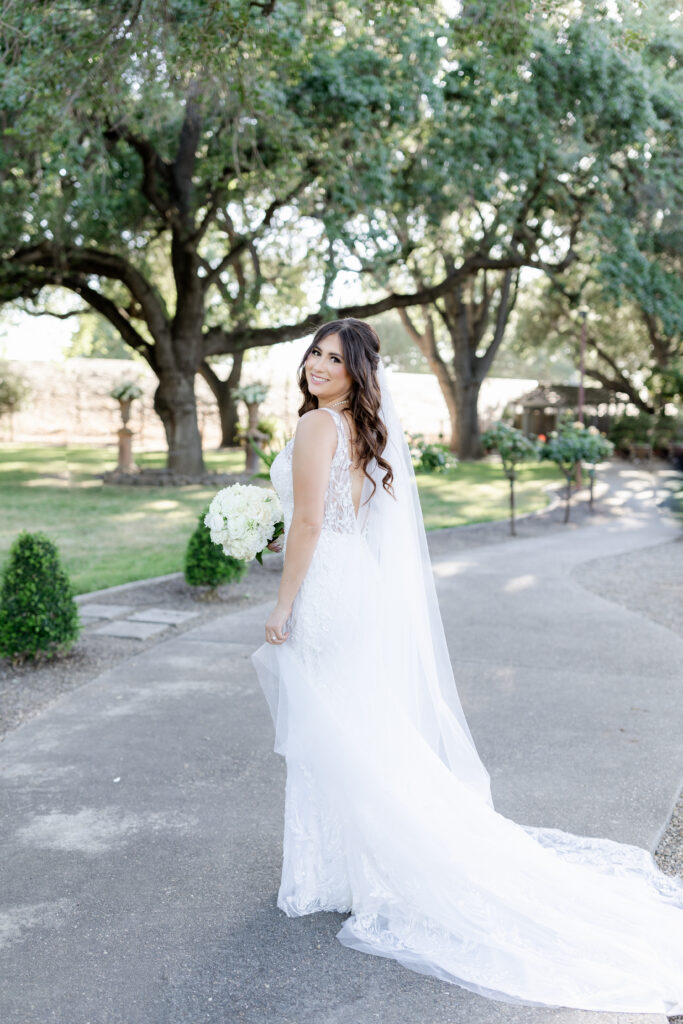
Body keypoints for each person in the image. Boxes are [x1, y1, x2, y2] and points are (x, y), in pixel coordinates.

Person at [251, 317, 683, 1014]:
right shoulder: (359, 428)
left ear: (357, 372)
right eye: (314, 353)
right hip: (353, 580)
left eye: (333, 359)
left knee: (334, 731)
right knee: (362, 727)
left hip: (326, 591)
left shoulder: (314, 427)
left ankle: (340, 872)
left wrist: (282, 602)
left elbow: (306, 524)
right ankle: (349, 869)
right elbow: (337, 519)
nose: (317, 365)